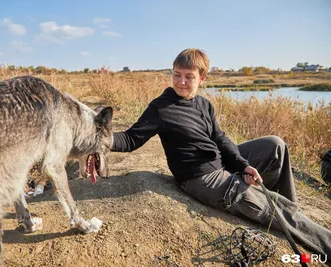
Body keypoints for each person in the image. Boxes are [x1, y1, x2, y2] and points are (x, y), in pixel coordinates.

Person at [111, 48, 331, 257]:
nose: (181, 82)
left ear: (202, 78)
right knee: (280, 211)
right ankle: (298, 223)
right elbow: (131, 139)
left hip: (220, 163)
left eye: (189, 76)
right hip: (203, 178)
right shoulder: (161, 108)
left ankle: (289, 211)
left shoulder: (204, 104)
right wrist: (100, 139)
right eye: (177, 75)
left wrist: (242, 165)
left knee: (275, 145)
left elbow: (220, 138)